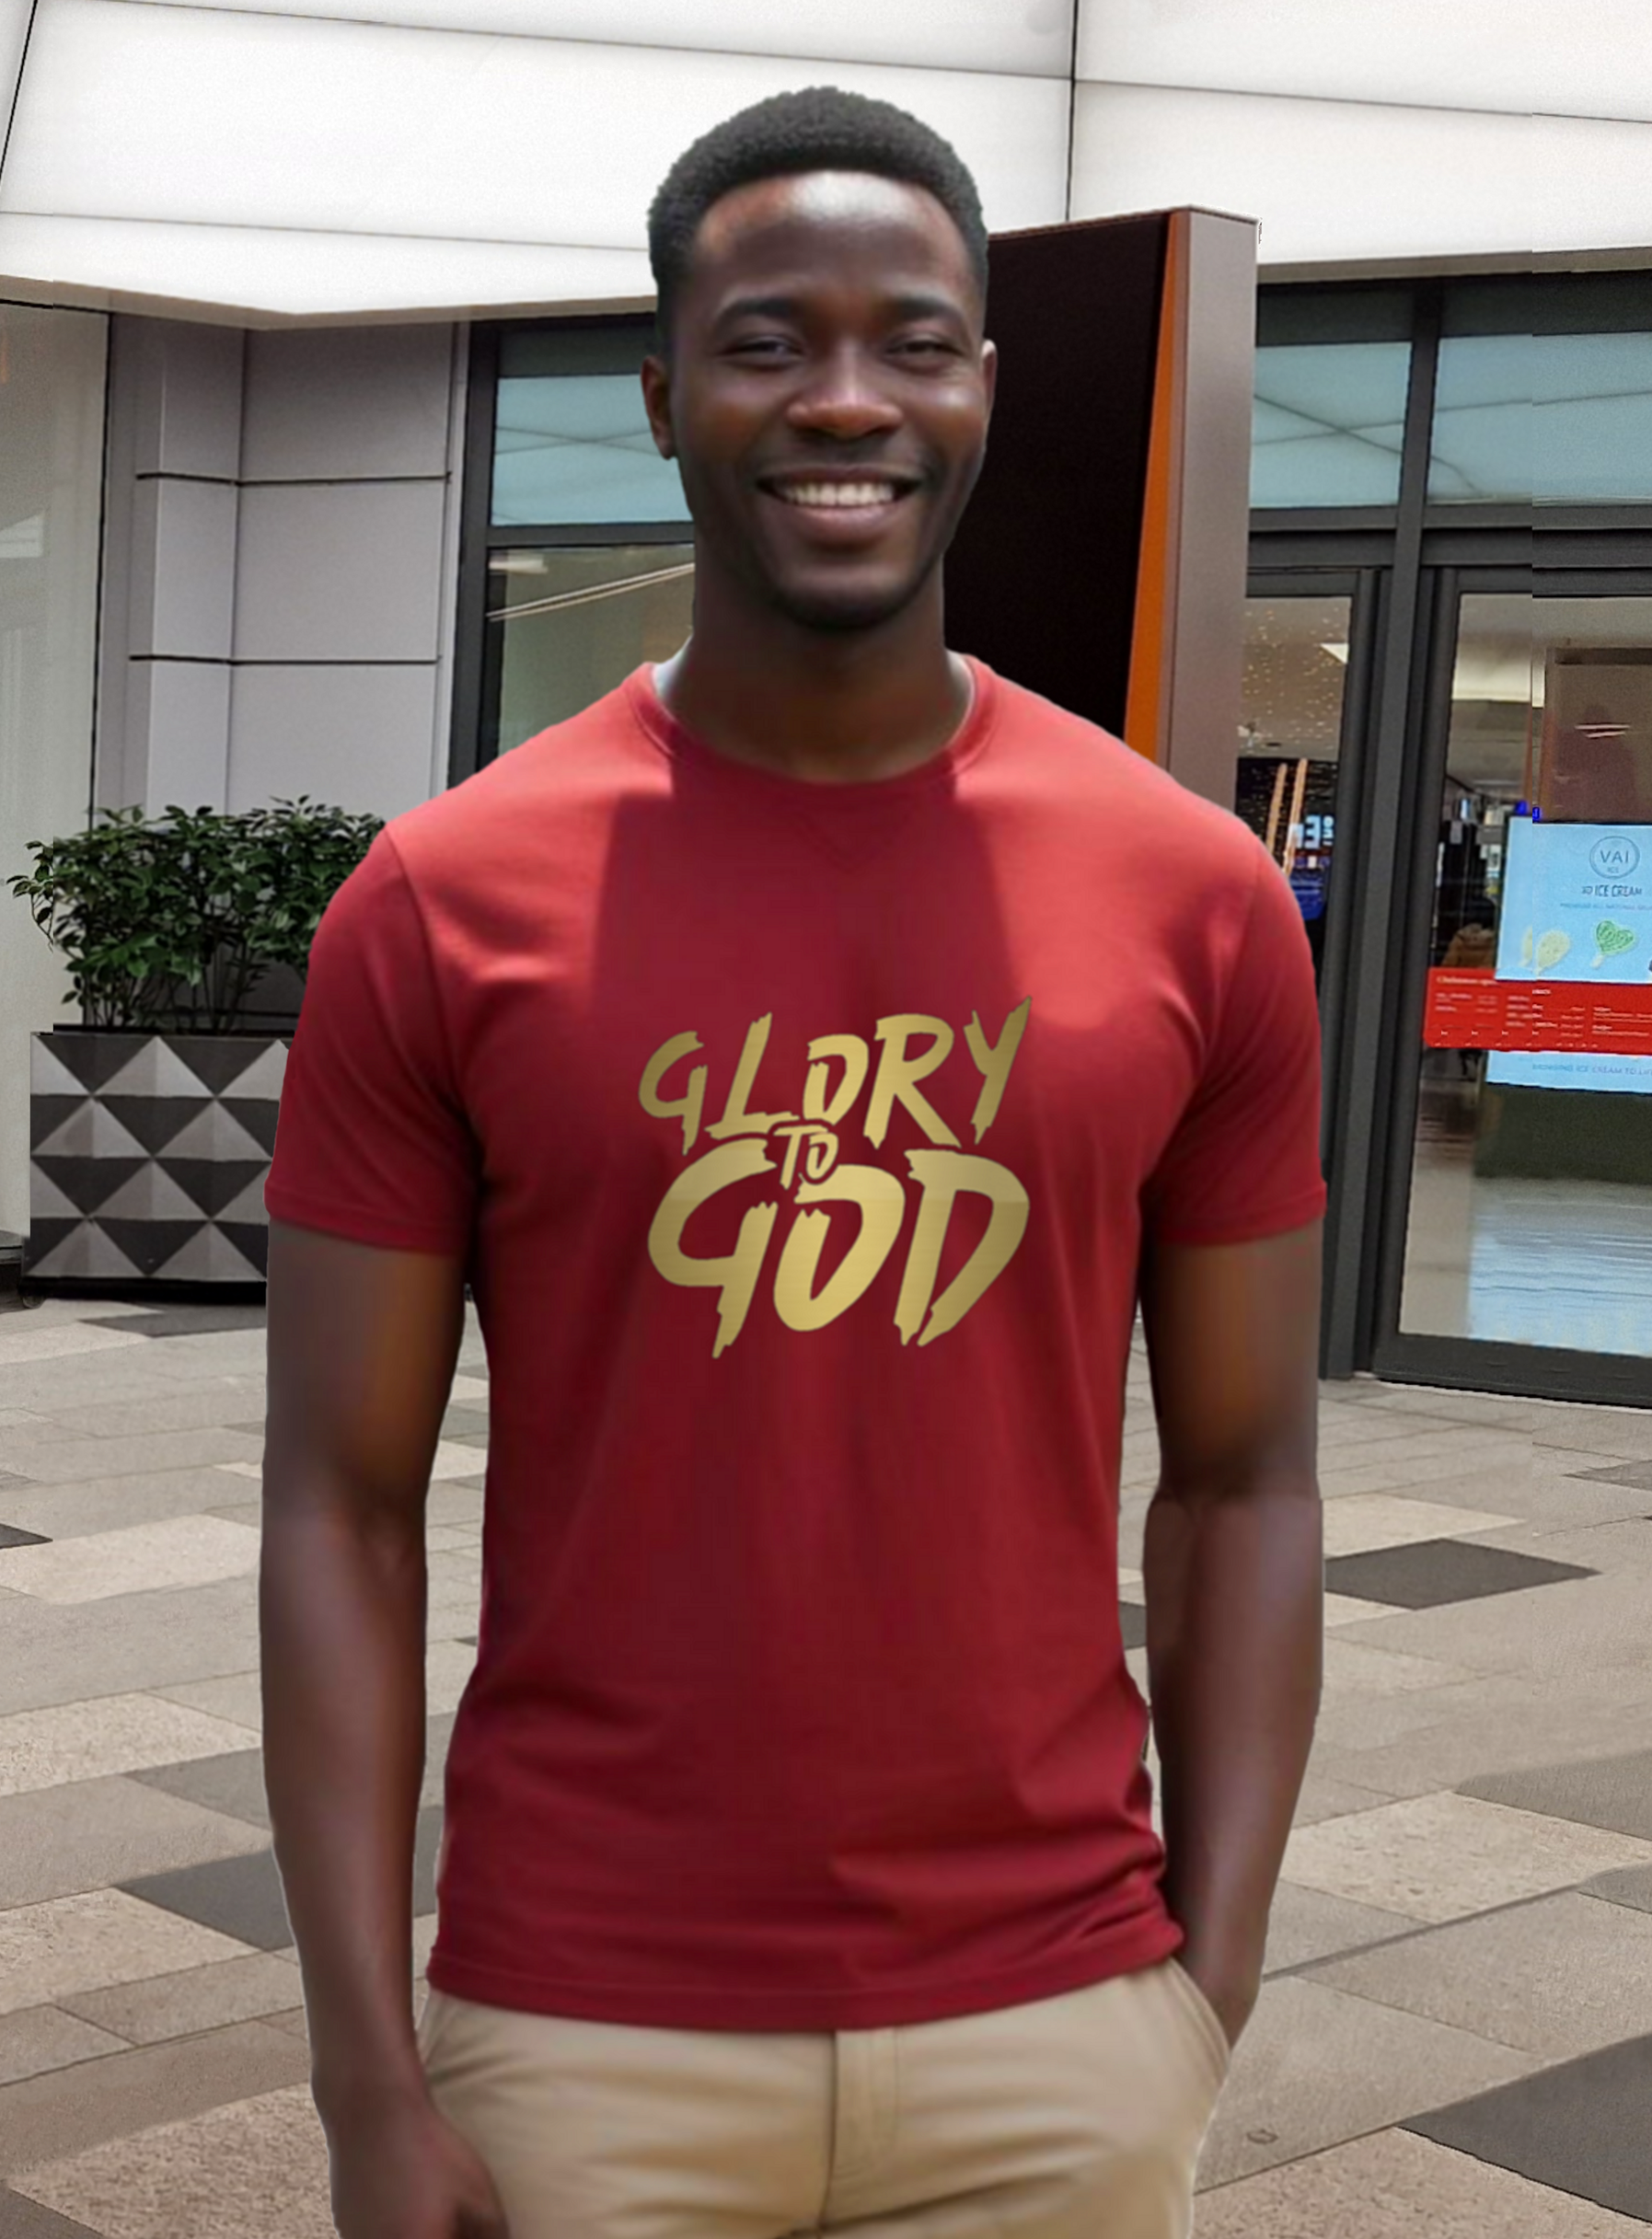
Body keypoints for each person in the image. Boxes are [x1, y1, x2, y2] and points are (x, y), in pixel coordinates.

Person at [260, 87, 1325, 2239]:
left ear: (986, 391)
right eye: (766, 340)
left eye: (912, 340)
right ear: (660, 393)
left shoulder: (1191, 897)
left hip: (1060, 2026)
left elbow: (1243, 1482)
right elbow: (338, 1510)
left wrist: (1197, 1993)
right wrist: (368, 2082)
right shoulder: (447, 898)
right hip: (585, 2027)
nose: (846, 397)